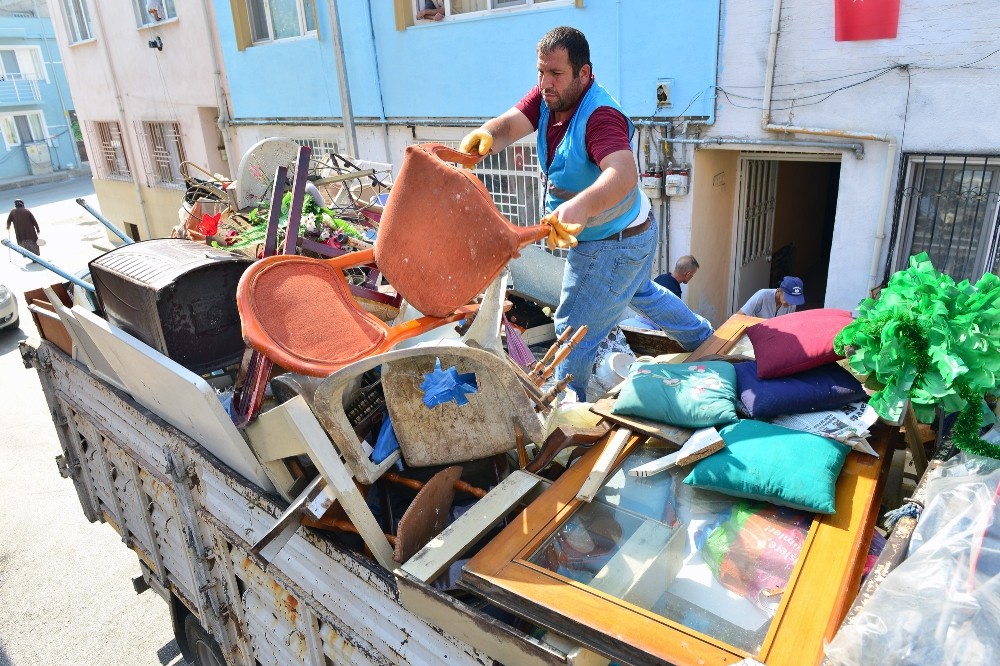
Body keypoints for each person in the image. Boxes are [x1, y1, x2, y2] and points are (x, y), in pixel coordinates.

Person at [460, 26, 713, 401]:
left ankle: (565, 402)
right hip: (636, 229)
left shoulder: (600, 116)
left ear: (584, 73)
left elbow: (623, 173)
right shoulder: (552, 96)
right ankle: (703, 338)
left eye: (556, 74)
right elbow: (512, 124)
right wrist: (486, 135)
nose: (546, 83)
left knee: (572, 329)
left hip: (610, 243)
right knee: (640, 291)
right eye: (540, 72)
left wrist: (579, 206)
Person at [739, 276, 805, 319]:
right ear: (779, 290)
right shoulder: (762, 295)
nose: (790, 303)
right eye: (789, 298)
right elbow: (738, 316)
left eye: (794, 300)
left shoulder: (792, 304)